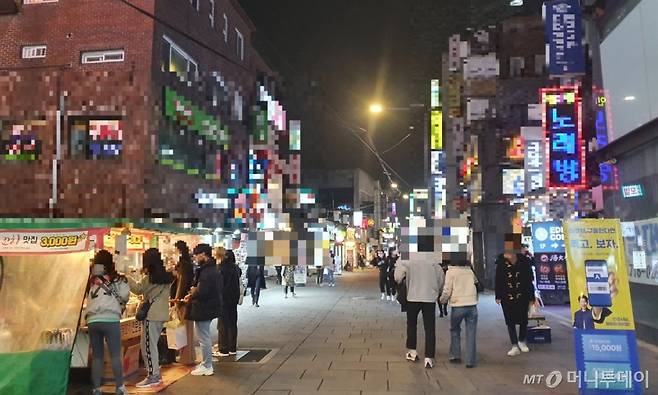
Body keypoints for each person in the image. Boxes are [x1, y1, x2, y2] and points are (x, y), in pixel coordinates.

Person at [128, 248, 175, 388]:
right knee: (151, 344)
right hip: (161, 314)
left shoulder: (150, 278)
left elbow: (137, 289)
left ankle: (153, 375)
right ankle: (155, 374)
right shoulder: (167, 276)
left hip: (152, 315)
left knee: (147, 345)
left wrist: (127, 277)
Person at [86, 250, 130, 395]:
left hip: (92, 321)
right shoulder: (117, 279)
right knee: (115, 355)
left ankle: (96, 388)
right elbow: (124, 296)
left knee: (97, 356)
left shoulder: (90, 280)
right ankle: (120, 387)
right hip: (110, 319)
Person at [395, 256, 445, 369]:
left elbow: (398, 277)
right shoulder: (433, 260)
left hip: (413, 296)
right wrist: (437, 290)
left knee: (412, 325)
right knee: (430, 328)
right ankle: (429, 357)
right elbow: (441, 279)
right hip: (429, 297)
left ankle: (412, 351)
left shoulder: (407, 258)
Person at [495, 237, 536, 357]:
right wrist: (498, 295)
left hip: (522, 294)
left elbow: (529, 279)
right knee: (510, 321)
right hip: (506, 296)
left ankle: (522, 341)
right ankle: (514, 344)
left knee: (524, 319)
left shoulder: (524, 261)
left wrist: (531, 297)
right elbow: (498, 279)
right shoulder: (501, 262)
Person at [184, 244, 220, 376]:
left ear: (203, 254)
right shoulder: (211, 268)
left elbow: (203, 290)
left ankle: (207, 365)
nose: (195, 257)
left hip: (204, 307)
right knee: (204, 336)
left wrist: (193, 292)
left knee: (203, 337)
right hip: (207, 306)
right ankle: (206, 363)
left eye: (196, 255)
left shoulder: (207, 270)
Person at [439, 258, 479, 368]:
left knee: (455, 330)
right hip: (472, 305)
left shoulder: (450, 272)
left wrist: (442, 300)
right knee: (471, 333)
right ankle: (470, 361)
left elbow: (447, 289)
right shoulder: (469, 270)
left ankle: (455, 356)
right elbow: (476, 284)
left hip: (458, 306)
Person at [171, 240, 195, 365]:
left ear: (179, 250)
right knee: (187, 330)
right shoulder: (188, 263)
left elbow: (181, 284)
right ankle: (189, 356)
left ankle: (186, 358)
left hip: (183, 301)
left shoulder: (184, 264)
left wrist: (177, 301)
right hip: (186, 300)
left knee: (183, 331)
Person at [217, 250, 242, 357]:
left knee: (222, 324)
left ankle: (223, 349)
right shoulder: (236, 268)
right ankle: (232, 347)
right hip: (233, 299)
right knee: (232, 323)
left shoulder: (221, 268)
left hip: (223, 299)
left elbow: (219, 285)